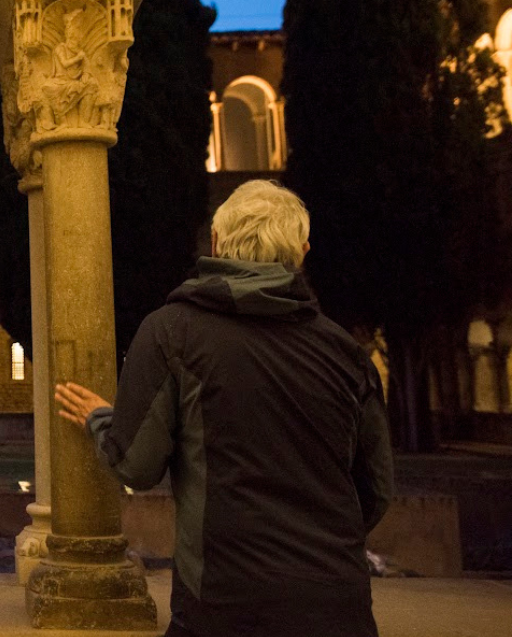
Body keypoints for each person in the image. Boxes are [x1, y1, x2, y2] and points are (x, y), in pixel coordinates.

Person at [55, 180, 394, 637]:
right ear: (303, 251)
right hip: (337, 604)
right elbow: (375, 488)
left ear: (215, 242)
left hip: (223, 601)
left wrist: (102, 419)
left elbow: (136, 463)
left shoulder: (172, 331)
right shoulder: (346, 353)